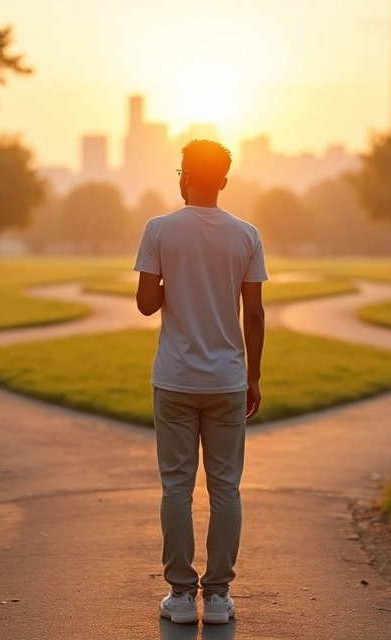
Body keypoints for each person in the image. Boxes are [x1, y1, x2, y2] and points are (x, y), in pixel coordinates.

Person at [134, 139, 267, 626]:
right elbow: (253, 311)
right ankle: (217, 597)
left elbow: (147, 304)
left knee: (177, 487)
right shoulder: (246, 235)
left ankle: (178, 594)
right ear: (224, 181)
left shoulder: (159, 230)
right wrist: (253, 376)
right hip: (228, 380)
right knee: (225, 488)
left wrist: (179, 276)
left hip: (174, 379)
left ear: (183, 176)